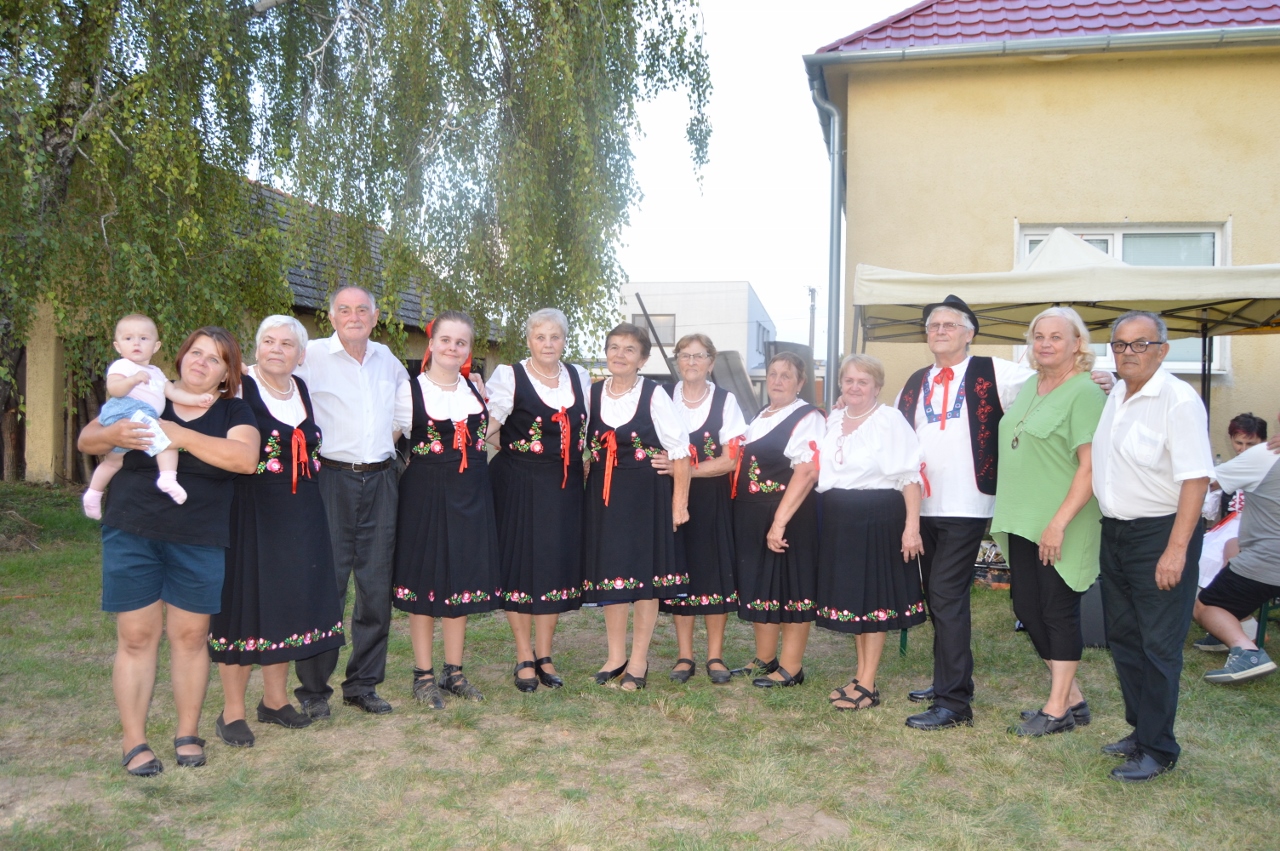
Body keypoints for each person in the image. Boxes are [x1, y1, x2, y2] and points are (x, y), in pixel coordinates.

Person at [895, 295, 1112, 731]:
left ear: (969, 333)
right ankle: (957, 680)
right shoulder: (915, 381)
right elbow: (899, 436)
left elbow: (1058, 378)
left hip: (971, 503)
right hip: (927, 504)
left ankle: (953, 700)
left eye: (950, 325)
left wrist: (1103, 377)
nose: (940, 331)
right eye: (934, 325)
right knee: (940, 597)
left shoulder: (997, 371)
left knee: (946, 596)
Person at [77, 327, 258, 775]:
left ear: (226, 374)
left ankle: (187, 733)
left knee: (191, 637)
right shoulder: (149, 390)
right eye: (195, 352)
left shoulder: (234, 410)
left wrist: (180, 435)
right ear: (180, 357)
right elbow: (87, 441)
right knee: (136, 636)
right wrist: (116, 432)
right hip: (133, 529)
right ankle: (134, 740)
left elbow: (244, 459)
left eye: (214, 359)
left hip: (199, 538)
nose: (201, 362)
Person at [207, 316, 346, 747]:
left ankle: (274, 700)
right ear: (256, 348)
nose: (276, 349)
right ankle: (232, 712)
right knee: (244, 605)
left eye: (286, 344)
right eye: (268, 341)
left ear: (300, 355)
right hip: (250, 510)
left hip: (302, 512)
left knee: (286, 602)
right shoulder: (237, 386)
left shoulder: (301, 389)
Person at [1093, 310, 1213, 782]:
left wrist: (1176, 550)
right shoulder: (1117, 394)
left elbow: (1196, 480)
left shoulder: (1178, 401)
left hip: (1161, 535)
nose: (1129, 352)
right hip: (1115, 532)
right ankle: (1140, 731)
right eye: (1120, 344)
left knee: (1159, 645)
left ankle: (1159, 749)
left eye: (1140, 344)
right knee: (1125, 638)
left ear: (1162, 350)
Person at [293, 286, 411, 717]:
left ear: (375, 317)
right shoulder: (310, 356)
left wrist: (379, 447)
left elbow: (404, 414)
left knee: (376, 589)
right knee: (327, 586)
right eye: (344, 310)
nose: (354, 316)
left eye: (362, 309)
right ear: (331, 317)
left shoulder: (388, 359)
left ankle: (363, 684)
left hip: (381, 481)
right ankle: (313, 691)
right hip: (331, 480)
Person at [990, 308, 1106, 736]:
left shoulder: (1086, 393)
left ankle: (1057, 709)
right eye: (1039, 336)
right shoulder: (1030, 386)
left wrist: (1058, 523)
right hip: (1023, 518)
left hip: (1063, 520)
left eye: (1056, 336)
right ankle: (1073, 698)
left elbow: (1090, 468)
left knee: (1058, 611)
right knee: (1027, 607)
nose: (1045, 343)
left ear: (1077, 344)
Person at [391, 310, 502, 706]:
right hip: (425, 495)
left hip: (471, 493)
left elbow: (492, 434)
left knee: (461, 580)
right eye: (446, 340)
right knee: (424, 580)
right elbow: (385, 443)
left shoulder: (475, 389)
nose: (453, 348)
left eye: (461, 342)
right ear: (432, 344)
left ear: (468, 350)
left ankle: (453, 672)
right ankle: (422, 675)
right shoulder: (409, 392)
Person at [582, 322, 691, 691]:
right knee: (612, 574)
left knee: (646, 579)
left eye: (629, 349)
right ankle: (615, 656)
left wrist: (679, 504)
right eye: (614, 347)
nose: (620, 355)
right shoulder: (592, 394)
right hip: (605, 496)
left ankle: (639, 660)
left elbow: (680, 452)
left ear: (642, 359)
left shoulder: (655, 394)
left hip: (647, 496)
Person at [485, 308, 589, 692]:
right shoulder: (509, 376)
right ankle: (524, 655)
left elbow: (590, 429)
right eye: (540, 337)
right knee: (519, 565)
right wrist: (516, 449)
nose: (548, 344)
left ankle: (545, 655)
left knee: (552, 566)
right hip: (518, 483)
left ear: (564, 340)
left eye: (555, 337)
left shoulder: (579, 376)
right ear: (528, 340)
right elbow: (488, 426)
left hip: (563, 486)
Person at [815, 354, 926, 710]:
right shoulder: (834, 419)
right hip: (840, 519)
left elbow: (910, 476)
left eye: (863, 382)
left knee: (873, 600)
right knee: (855, 601)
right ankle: (860, 675)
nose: (855, 387)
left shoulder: (889, 420)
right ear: (840, 384)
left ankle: (867, 683)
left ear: (877, 386)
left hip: (877, 516)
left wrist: (912, 528)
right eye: (849, 381)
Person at [654, 334, 748, 684]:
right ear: (677, 361)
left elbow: (731, 459)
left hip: (712, 498)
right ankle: (684, 655)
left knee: (713, 573)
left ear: (711, 362)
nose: (691, 362)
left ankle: (715, 656)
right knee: (681, 571)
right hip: (670, 496)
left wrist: (685, 469)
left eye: (699, 356)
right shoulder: (662, 396)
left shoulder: (726, 400)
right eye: (685, 355)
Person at [733, 351, 825, 688]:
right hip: (753, 513)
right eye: (773, 373)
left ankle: (791, 667)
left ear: (801, 382)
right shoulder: (761, 414)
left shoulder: (807, 417)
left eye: (786, 375)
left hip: (789, 514)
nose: (777, 380)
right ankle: (765, 657)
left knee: (791, 587)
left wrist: (779, 522)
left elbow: (807, 472)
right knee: (762, 584)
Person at [82, 314, 216, 518]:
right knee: (166, 439)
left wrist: (196, 400)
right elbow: (114, 389)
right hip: (126, 409)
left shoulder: (157, 373)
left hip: (140, 414)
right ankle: (167, 478)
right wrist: (133, 380)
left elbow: (173, 393)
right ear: (118, 346)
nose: (136, 343)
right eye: (128, 338)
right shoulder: (123, 365)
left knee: (114, 461)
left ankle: (93, 494)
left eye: (144, 338)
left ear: (156, 346)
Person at [1192, 417, 1279, 683]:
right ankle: (1227, 634)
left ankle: (1247, 652)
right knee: (1232, 551)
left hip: (1269, 560)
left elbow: (1205, 483)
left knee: (1205, 605)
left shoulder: (1266, 455)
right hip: (1266, 558)